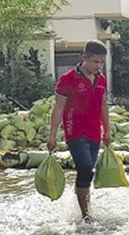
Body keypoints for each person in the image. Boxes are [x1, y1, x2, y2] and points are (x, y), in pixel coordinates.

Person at [47, 40, 111, 220]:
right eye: (95, 62)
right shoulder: (68, 79)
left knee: (88, 170)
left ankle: (85, 207)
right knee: (85, 168)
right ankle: (86, 216)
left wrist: (107, 131)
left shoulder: (101, 80)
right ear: (84, 58)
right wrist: (52, 137)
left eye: (101, 62)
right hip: (74, 131)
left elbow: (103, 106)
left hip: (94, 132)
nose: (99, 66)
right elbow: (58, 108)